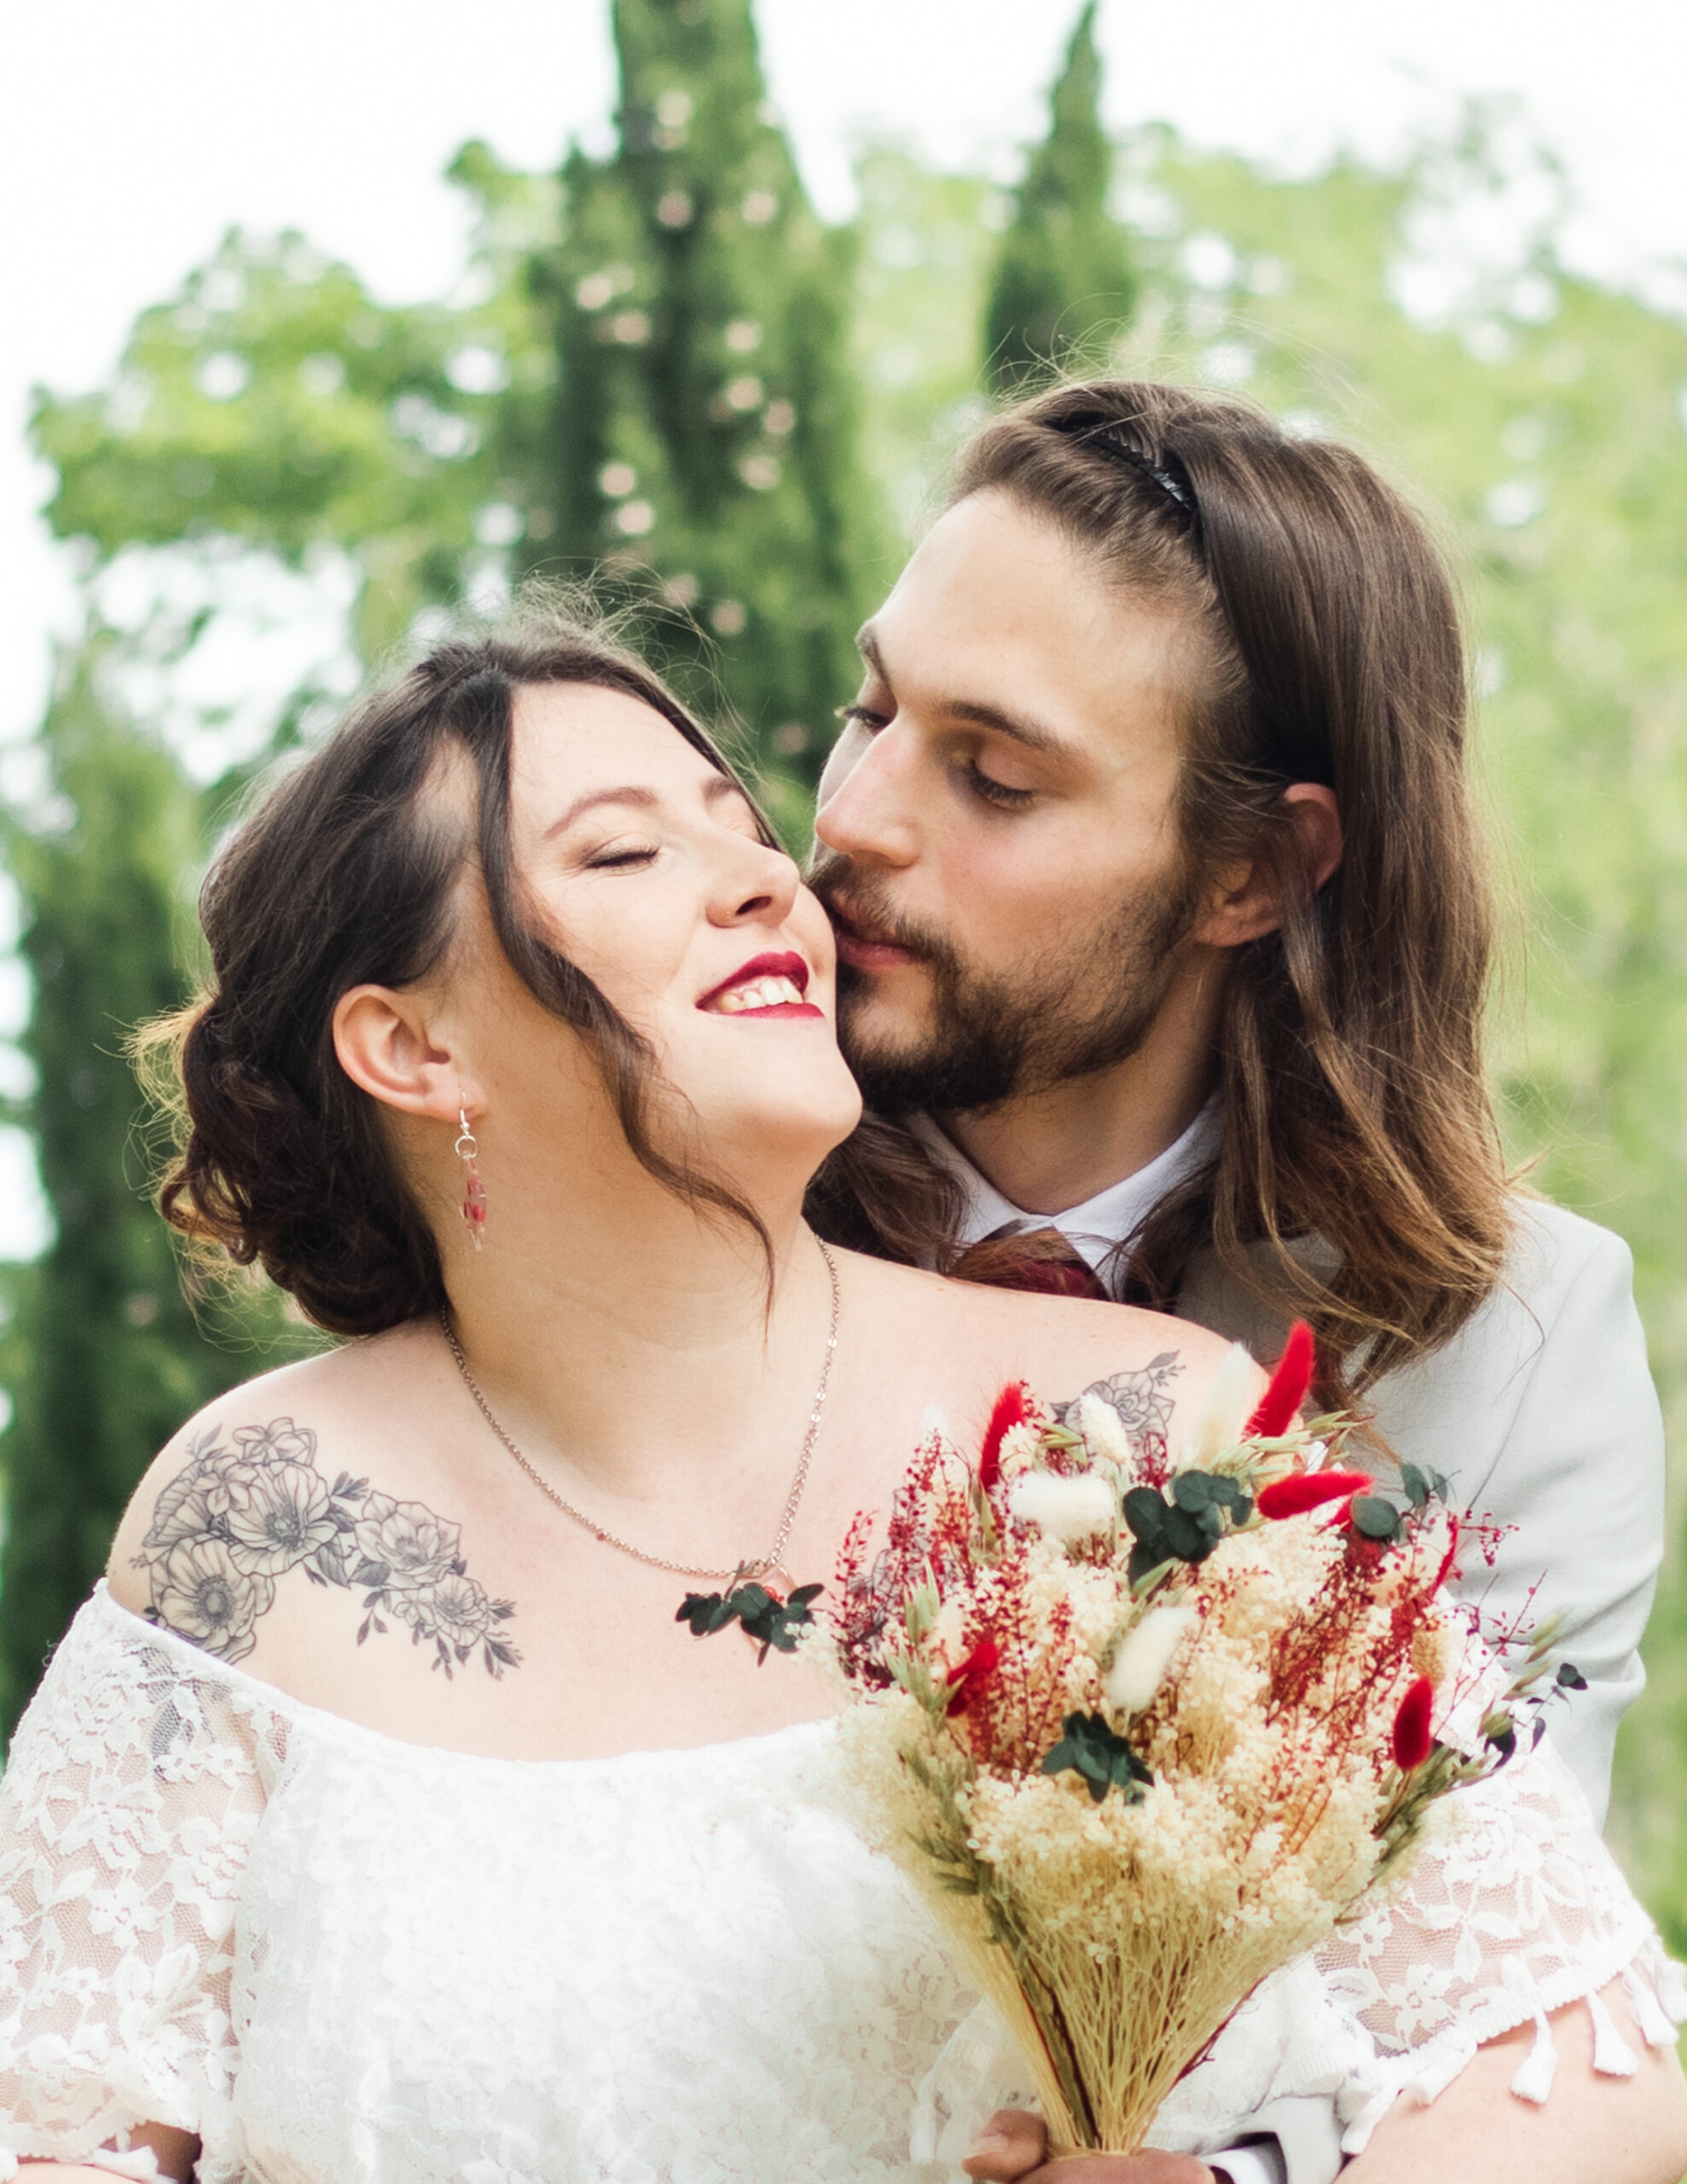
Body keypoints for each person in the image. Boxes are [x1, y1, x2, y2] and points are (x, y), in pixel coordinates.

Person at [0, 611, 1680, 2184]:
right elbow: (55, 2130)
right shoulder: (261, 1509)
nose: (760, 882)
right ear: (414, 1047)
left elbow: (1594, 2067)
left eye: (738, 826)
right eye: (623, 851)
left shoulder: (1146, 1444)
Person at [808, 377, 1664, 1842]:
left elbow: (1501, 1986)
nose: (852, 816)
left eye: (994, 778)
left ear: (1252, 874)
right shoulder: (678, 1203)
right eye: (868, 708)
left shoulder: (1510, 1346)